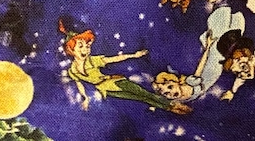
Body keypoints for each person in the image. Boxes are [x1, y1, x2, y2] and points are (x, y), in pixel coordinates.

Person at [59, 21, 191, 114]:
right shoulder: (73, 71)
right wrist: (85, 98)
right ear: (71, 50)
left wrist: (134, 55)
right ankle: (168, 108)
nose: (86, 49)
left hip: (115, 81)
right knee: (139, 98)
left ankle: (171, 105)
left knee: (144, 93)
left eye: (87, 46)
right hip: (106, 90)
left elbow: (114, 59)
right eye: (81, 46)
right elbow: (79, 83)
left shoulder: (92, 61)